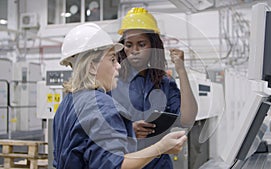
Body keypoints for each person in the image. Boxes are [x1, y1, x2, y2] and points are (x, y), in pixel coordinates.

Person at [53, 23, 187, 169]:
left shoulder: (67, 103)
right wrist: (161, 147)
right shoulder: (102, 106)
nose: (118, 65)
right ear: (92, 66)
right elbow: (115, 166)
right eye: (112, 59)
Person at [112, 7, 198, 169]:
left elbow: (188, 119)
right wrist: (129, 131)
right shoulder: (113, 82)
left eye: (141, 44)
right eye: (128, 45)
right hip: (126, 162)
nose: (134, 51)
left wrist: (181, 70)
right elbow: (101, 129)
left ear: (153, 46)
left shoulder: (165, 82)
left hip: (159, 164)